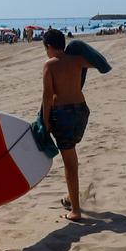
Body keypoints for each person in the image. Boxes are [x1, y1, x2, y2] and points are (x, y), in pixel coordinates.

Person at [40, 29, 93, 221]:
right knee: (72, 154)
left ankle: (75, 211)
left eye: (45, 48)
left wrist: (45, 122)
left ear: (49, 47)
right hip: (81, 112)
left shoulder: (50, 65)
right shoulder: (77, 60)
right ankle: (71, 197)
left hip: (64, 116)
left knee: (69, 162)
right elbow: (96, 62)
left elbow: (47, 96)